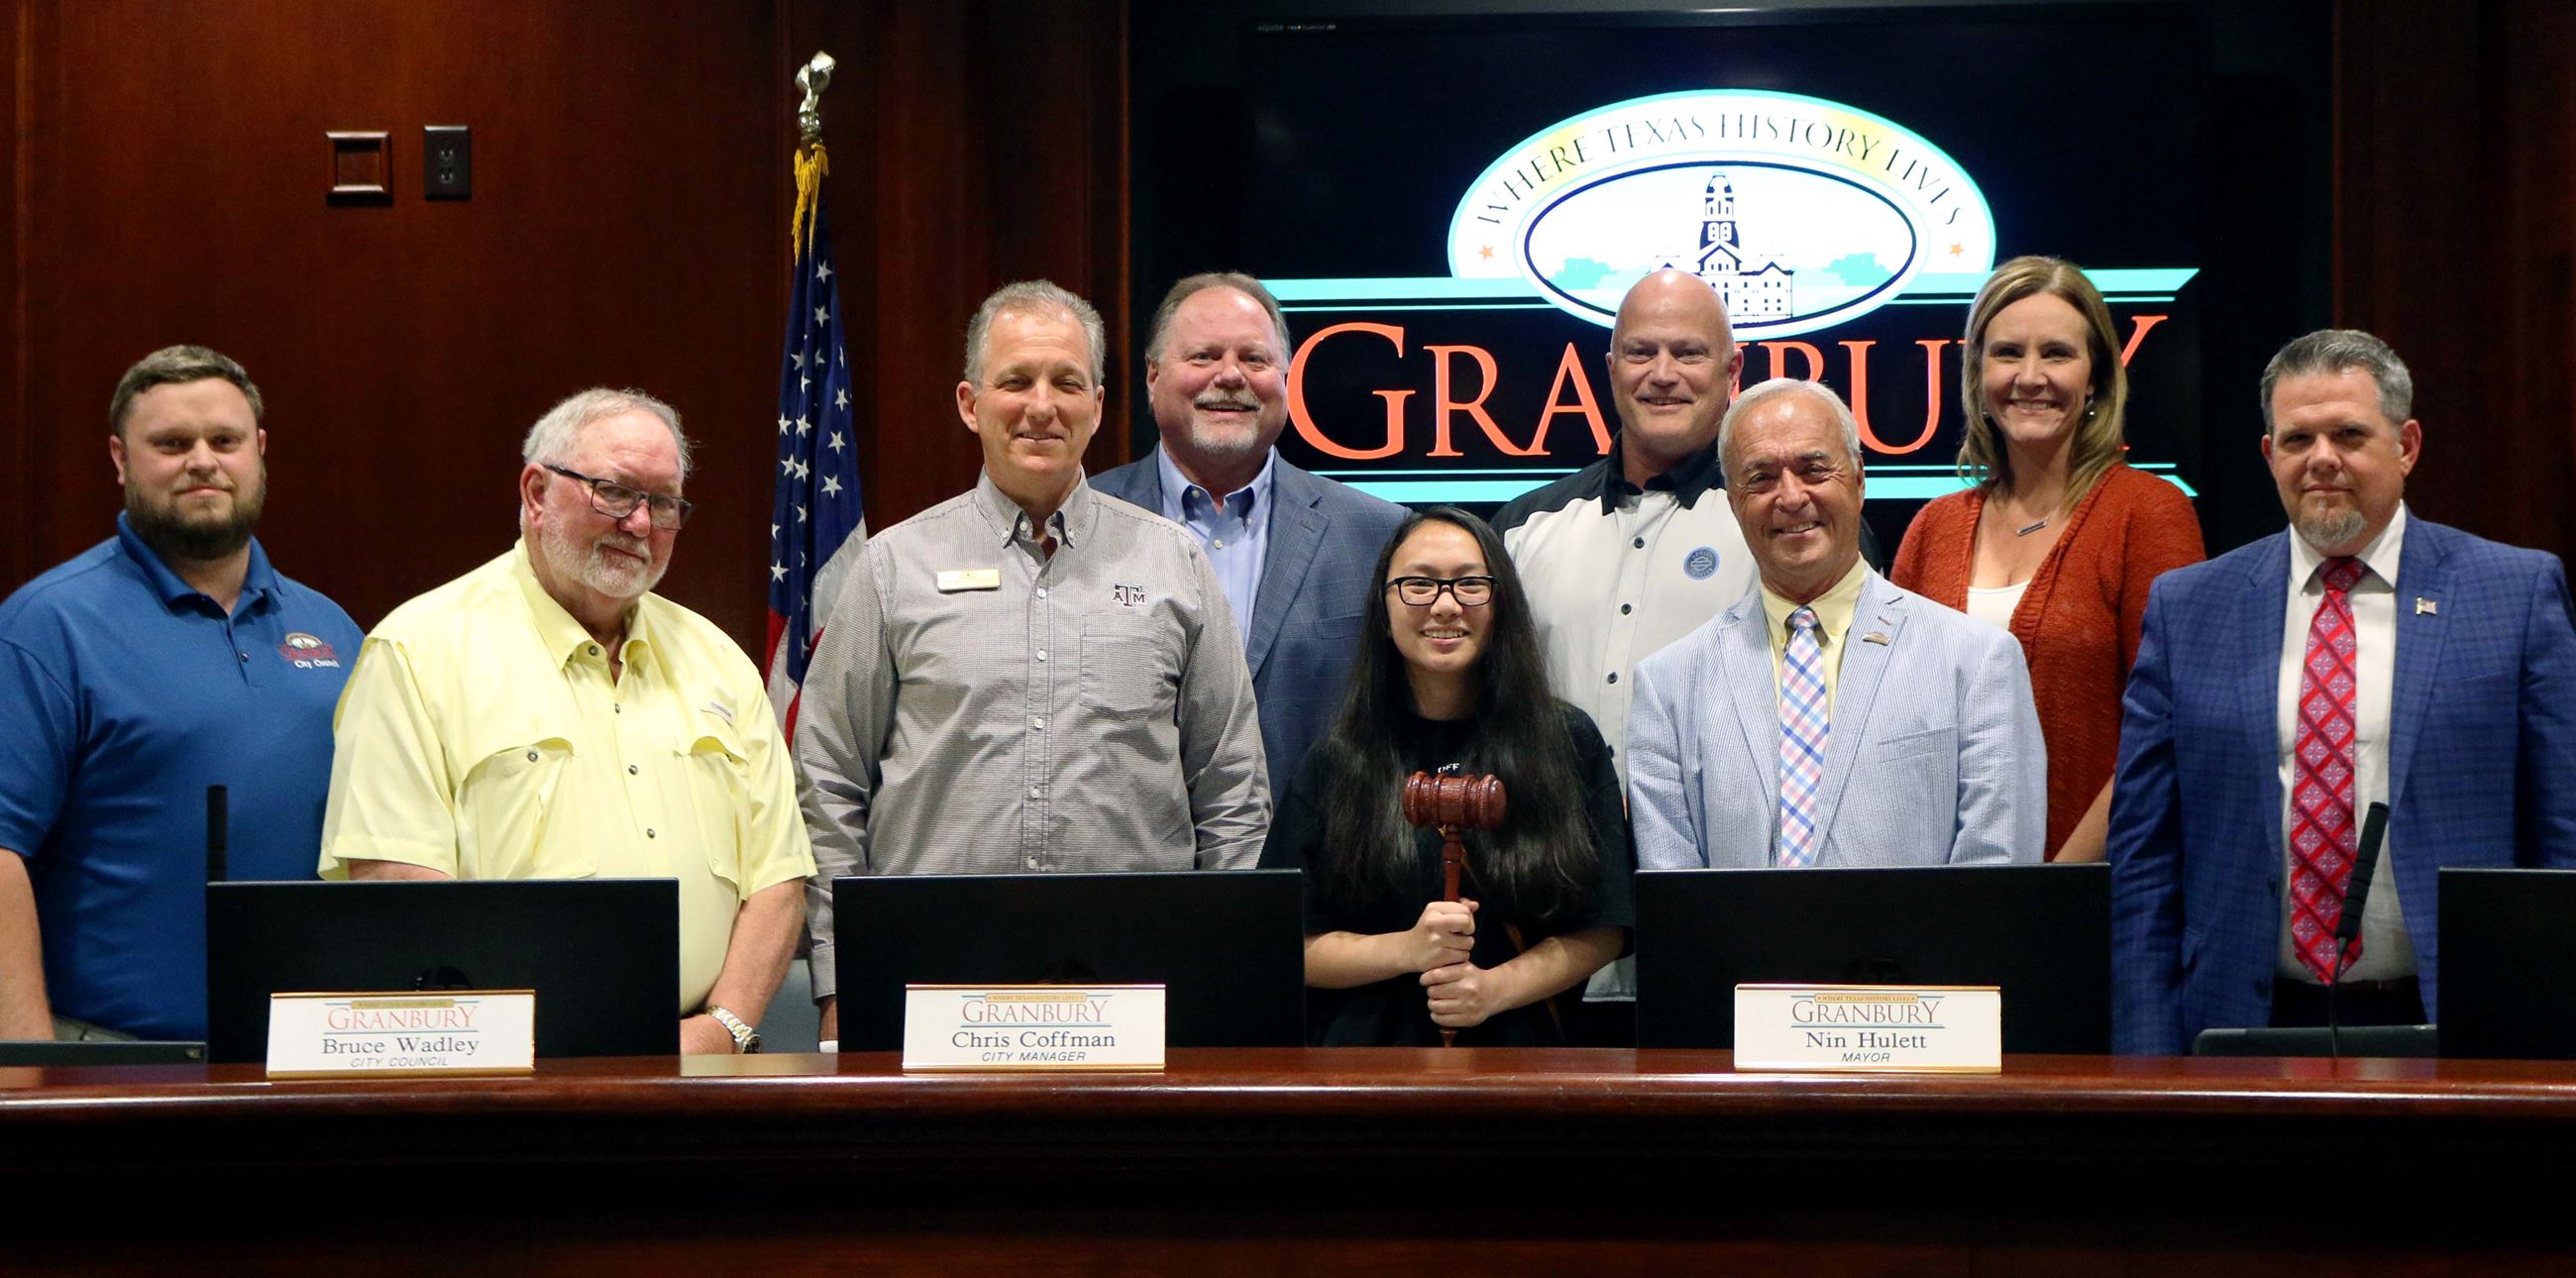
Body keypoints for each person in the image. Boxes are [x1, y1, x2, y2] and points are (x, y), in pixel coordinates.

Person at [796, 279, 1268, 1043]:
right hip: (932, 975)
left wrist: (1211, 957)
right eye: (1015, 381)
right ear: (969, 403)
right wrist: (838, 972)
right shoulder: (893, 569)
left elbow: (1233, 786)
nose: (1041, 405)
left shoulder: (1173, 563)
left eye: (1066, 382)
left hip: (1135, 982)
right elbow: (828, 779)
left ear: (1100, 403)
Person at [2107, 330, 2576, 1054]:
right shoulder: (2189, 607)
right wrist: (2142, 1061)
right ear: (2270, 456)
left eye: (2350, 434)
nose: (2322, 459)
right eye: (2298, 439)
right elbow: (2143, 863)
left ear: (2407, 445)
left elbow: (2562, 841)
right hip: (2238, 1031)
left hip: (2463, 1032)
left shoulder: (2513, 595)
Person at [319, 387, 812, 1056]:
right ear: (535, 492)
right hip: (505, 1075)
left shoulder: (718, 660)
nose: (639, 523)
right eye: (614, 491)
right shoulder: (418, 651)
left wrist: (722, 1031)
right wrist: (513, 1044)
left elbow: (778, 877)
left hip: (704, 1071)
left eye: (663, 502)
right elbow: (396, 884)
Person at [0, 346, 364, 1041]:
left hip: (313, 1055)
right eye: (171, 444)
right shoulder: (46, 627)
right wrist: (21, 1063)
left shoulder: (335, 629)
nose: (202, 461)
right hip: (113, 1059)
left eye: (224, 441)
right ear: (119, 458)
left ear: (258, 451)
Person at [1489, 268, 1759, 1036]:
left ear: (1732, 372)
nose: (1663, 374)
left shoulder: (1780, 529)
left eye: (1689, 352)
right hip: (1542, 951)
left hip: (1721, 939)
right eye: (1640, 352)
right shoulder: (1521, 529)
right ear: (1609, 371)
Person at [1629, 377, 2046, 871]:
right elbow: (1676, 903)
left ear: (1859, 478)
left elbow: (1997, 881)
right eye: (1760, 478)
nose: (1790, 496)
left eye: (1813, 469)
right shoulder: (1668, 686)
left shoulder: (1977, 662)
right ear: (1733, 502)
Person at [1259, 508, 1631, 1046]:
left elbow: (1605, 926)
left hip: (1524, 1067)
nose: (1445, 604)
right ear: (1383, 611)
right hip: (1368, 1074)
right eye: (1418, 584)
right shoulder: (1338, 759)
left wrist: (1493, 990)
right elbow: (1287, 942)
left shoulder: (1564, 743)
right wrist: (1407, 949)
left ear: (1500, 604)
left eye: (1469, 584)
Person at [1891, 257, 2205, 863]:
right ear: (1978, 371)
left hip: (2095, 896)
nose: (2030, 376)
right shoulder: (1934, 528)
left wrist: (2055, 884)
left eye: (2057, 354)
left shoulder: (2149, 514)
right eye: (2008, 352)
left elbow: (2172, 728)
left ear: (2096, 378)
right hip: (1943, 901)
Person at [1093, 272, 1409, 799]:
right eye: (1203, 357)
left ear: (1285, 376)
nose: (1231, 376)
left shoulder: (1378, 536)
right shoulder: (1084, 522)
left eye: (1255, 360)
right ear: (1152, 376)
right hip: (1137, 867)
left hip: (1316, 868)